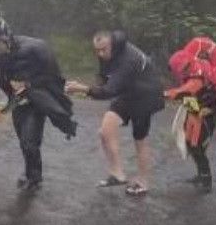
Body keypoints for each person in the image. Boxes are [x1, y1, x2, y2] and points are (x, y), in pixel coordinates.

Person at [0, 16, 76, 191]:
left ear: (7, 36)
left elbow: (54, 79)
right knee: (25, 142)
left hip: (37, 102)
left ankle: (34, 179)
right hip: (17, 104)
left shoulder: (37, 49)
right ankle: (31, 172)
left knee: (30, 142)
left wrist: (28, 85)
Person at [66, 30, 164, 197]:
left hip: (146, 95)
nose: (101, 54)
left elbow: (108, 92)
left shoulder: (128, 60)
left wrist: (83, 89)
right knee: (105, 130)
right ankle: (117, 174)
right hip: (128, 92)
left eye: (104, 49)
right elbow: (103, 77)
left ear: (112, 44)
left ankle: (143, 182)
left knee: (139, 139)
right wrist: (95, 86)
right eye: (97, 50)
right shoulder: (106, 52)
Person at [164, 37, 216, 193]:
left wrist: (166, 93)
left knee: (197, 145)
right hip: (196, 106)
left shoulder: (199, 72)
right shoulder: (189, 67)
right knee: (190, 142)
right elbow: (186, 93)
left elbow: (188, 89)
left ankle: (206, 180)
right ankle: (201, 174)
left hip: (209, 110)